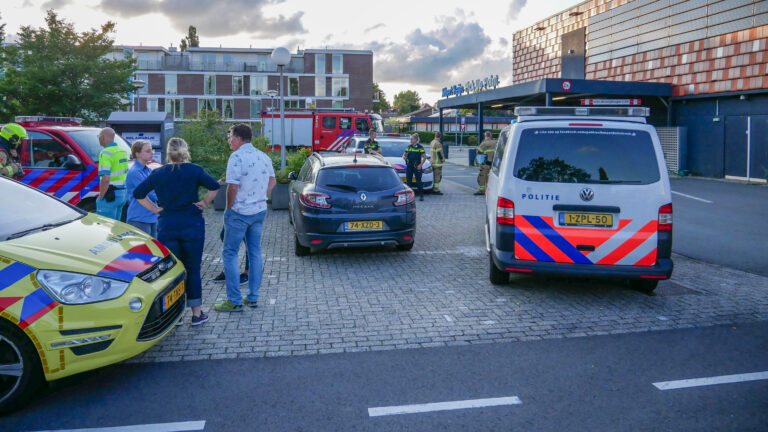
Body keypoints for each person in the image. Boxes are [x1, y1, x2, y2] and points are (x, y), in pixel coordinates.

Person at [134, 137, 220, 326]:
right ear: (185, 150)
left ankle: (177, 315)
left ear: (168, 153)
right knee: (193, 269)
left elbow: (138, 193)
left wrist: (155, 209)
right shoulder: (194, 170)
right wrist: (205, 203)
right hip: (191, 225)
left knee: (173, 272)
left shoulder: (159, 173)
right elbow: (215, 186)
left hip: (167, 226)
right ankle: (197, 314)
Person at [215, 123, 276, 312]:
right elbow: (273, 180)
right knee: (255, 252)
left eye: (230, 137)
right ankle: (253, 297)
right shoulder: (263, 156)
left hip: (239, 212)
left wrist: (228, 209)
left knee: (230, 253)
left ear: (238, 138)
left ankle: (234, 300)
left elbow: (232, 186)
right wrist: (259, 195)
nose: (229, 141)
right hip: (259, 211)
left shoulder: (237, 157)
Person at [125, 140, 158, 237]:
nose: (151, 153)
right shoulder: (135, 172)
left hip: (151, 216)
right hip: (139, 218)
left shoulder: (147, 170)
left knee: (154, 250)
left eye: (152, 150)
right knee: (142, 250)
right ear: (137, 154)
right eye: (148, 151)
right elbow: (150, 194)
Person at [96, 128, 129, 219]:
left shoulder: (105, 153)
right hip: (122, 194)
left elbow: (106, 178)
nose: (98, 139)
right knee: (115, 226)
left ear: (102, 137)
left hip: (110, 196)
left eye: (99, 137)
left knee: (105, 227)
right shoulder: (122, 151)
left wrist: (101, 196)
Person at [402, 133, 426, 202]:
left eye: (411, 139)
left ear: (415, 139)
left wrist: (420, 165)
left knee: (419, 181)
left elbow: (424, 157)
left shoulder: (420, 147)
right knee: (408, 181)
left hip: (417, 165)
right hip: (409, 165)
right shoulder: (408, 147)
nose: (410, 140)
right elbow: (404, 155)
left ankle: (421, 196)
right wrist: (404, 157)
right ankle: (409, 197)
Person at [475, 131, 496, 195]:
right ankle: (490, 190)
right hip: (493, 164)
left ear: (485, 136)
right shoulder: (496, 143)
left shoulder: (484, 143)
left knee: (482, 176)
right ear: (491, 136)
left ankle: (481, 190)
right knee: (490, 177)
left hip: (485, 163)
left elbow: (478, 152)